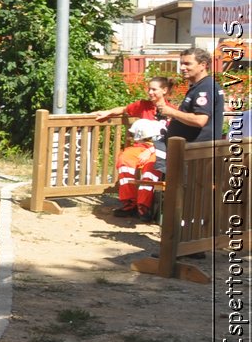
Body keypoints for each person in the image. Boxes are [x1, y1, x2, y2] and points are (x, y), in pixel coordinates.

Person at [93, 76, 174, 219]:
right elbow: (124, 109)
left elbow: (169, 137)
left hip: (159, 148)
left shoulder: (172, 111)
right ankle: (129, 204)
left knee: (151, 166)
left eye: (154, 89)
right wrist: (108, 112)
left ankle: (144, 207)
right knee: (125, 160)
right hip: (141, 146)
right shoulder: (143, 105)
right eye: (149, 89)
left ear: (164, 90)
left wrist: (151, 150)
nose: (150, 92)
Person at [157, 47, 225, 145]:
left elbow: (200, 120)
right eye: (181, 64)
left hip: (196, 151)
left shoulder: (205, 87)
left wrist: (172, 112)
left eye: (187, 64)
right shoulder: (201, 86)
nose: (182, 68)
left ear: (203, 65)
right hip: (187, 148)